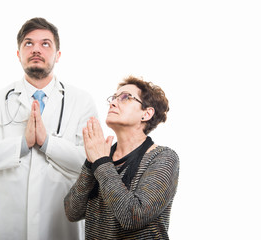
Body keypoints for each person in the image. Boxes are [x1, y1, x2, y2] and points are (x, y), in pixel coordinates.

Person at [0, 17, 97, 240]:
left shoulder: (81, 101)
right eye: (28, 43)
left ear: (58, 55)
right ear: (18, 53)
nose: (36, 49)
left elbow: (91, 164)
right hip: (6, 228)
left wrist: (47, 143)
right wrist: (22, 145)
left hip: (60, 227)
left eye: (45, 44)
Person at [64, 76, 179, 239]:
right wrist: (91, 163)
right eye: (114, 98)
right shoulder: (101, 155)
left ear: (146, 113)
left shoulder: (163, 158)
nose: (112, 103)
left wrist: (101, 162)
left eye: (125, 97)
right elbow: (72, 212)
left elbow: (133, 217)